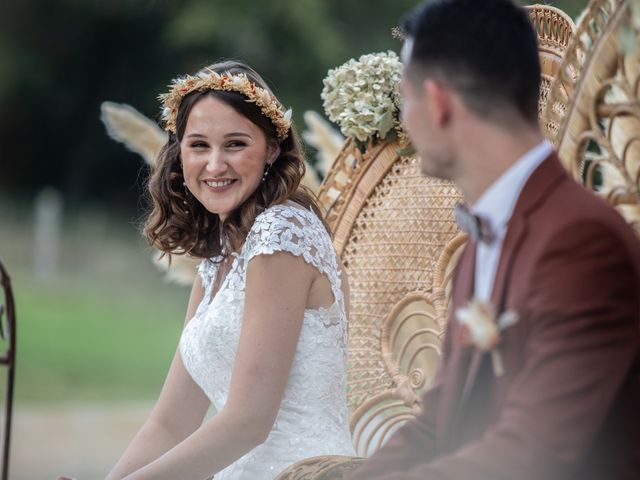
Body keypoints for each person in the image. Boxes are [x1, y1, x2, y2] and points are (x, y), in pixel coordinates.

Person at [349, 0, 640, 479]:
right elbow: (436, 426)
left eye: (406, 98)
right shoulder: (484, 238)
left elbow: (531, 453)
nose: (405, 118)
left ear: (439, 103)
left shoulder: (582, 242)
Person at [104, 60, 355, 479]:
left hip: (302, 472)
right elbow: (170, 423)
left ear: (272, 149)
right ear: (179, 153)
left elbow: (248, 423)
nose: (215, 165)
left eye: (235, 144)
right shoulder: (220, 258)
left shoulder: (282, 233)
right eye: (199, 145)